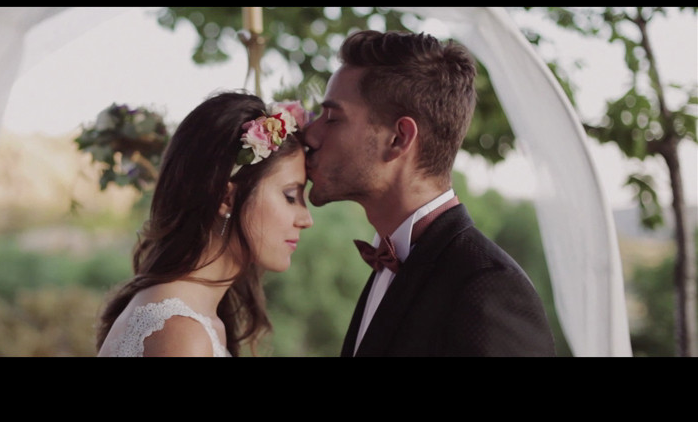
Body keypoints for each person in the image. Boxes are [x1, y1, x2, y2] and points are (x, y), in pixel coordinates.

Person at [303, 30, 556, 356]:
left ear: (398, 138)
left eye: (333, 118)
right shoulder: (391, 263)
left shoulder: (489, 290)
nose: (310, 133)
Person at [96, 91, 313, 357]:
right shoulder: (181, 332)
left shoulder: (186, 317)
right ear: (227, 197)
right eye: (290, 196)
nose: (306, 219)